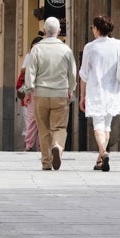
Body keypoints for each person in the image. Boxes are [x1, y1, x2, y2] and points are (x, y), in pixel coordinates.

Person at [25, 17, 77, 171]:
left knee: (43, 129)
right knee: (59, 127)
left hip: (41, 94)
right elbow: (72, 73)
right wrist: (70, 89)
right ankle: (57, 146)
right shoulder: (66, 50)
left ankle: (46, 162)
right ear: (59, 31)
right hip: (60, 94)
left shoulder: (37, 49)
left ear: (44, 31)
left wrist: (29, 90)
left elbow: (30, 72)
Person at [79, 15, 120, 171]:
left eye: (93, 27)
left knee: (98, 125)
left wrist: (82, 96)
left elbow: (84, 74)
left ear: (96, 29)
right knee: (107, 125)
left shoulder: (90, 47)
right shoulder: (118, 45)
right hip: (113, 90)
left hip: (96, 90)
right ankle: (100, 160)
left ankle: (103, 152)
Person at [17, 35, 43, 151]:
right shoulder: (30, 55)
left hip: (34, 89)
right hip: (42, 89)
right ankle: (35, 145)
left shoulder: (33, 56)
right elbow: (24, 71)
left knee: (33, 118)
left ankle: (32, 145)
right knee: (37, 118)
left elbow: (26, 73)